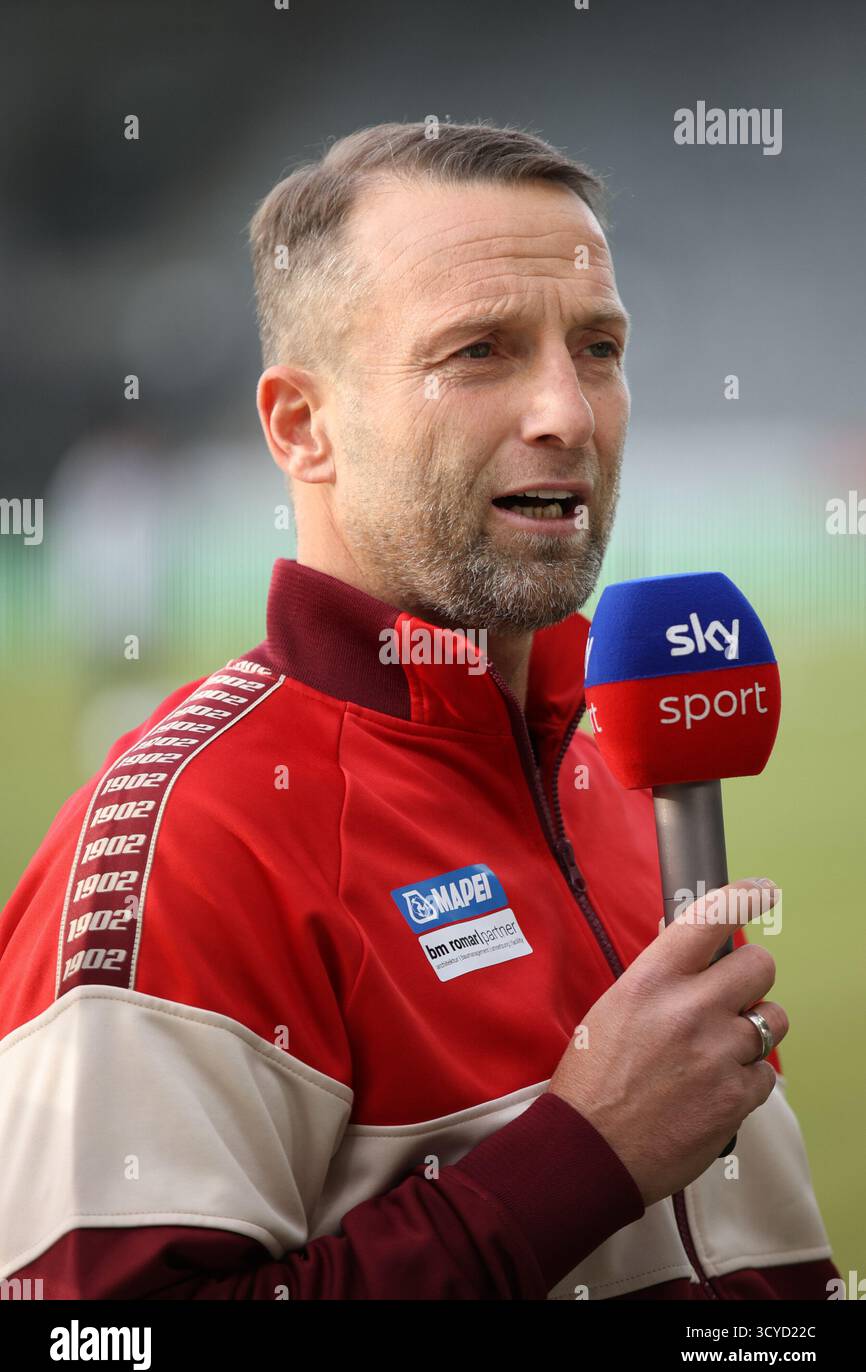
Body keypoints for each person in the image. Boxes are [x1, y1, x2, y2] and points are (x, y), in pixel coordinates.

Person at [0, 121, 837, 1299]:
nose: (566, 412)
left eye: (595, 347)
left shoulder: (619, 768)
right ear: (302, 426)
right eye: (480, 351)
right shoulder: (188, 842)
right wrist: (577, 1159)